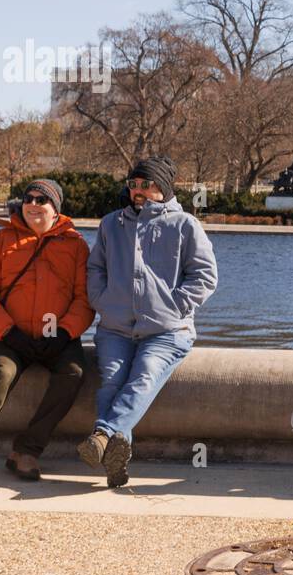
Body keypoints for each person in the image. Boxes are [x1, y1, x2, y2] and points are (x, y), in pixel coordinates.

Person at [81, 156, 217, 487]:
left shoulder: (185, 225)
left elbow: (205, 276)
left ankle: (104, 434)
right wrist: (103, 301)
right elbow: (95, 268)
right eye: (133, 185)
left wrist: (175, 306)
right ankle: (115, 452)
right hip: (116, 327)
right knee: (112, 382)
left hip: (168, 331)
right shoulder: (111, 223)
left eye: (146, 185)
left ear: (164, 188)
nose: (138, 191)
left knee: (144, 376)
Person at [0, 178, 93, 480]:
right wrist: (9, 333)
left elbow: (85, 298)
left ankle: (27, 451)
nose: (33, 205)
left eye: (42, 200)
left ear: (55, 209)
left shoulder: (76, 245)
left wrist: (64, 332)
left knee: (74, 373)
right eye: (28, 198)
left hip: (58, 338)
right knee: (2, 373)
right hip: (11, 336)